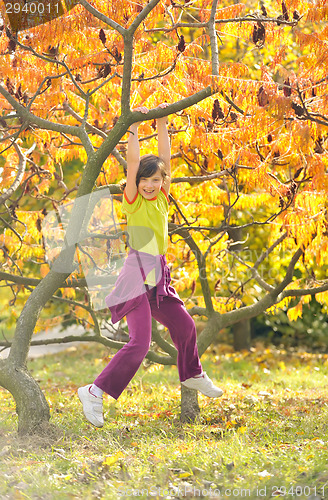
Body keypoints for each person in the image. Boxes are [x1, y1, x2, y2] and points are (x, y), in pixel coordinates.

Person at [78, 104, 223, 427]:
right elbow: (132, 163)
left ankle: (192, 373)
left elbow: (165, 159)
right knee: (140, 343)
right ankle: (94, 390)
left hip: (158, 270)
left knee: (184, 325)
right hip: (135, 270)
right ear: (137, 182)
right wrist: (132, 125)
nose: (150, 185)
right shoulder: (133, 198)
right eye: (146, 180)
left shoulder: (162, 197)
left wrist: (161, 122)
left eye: (156, 180)